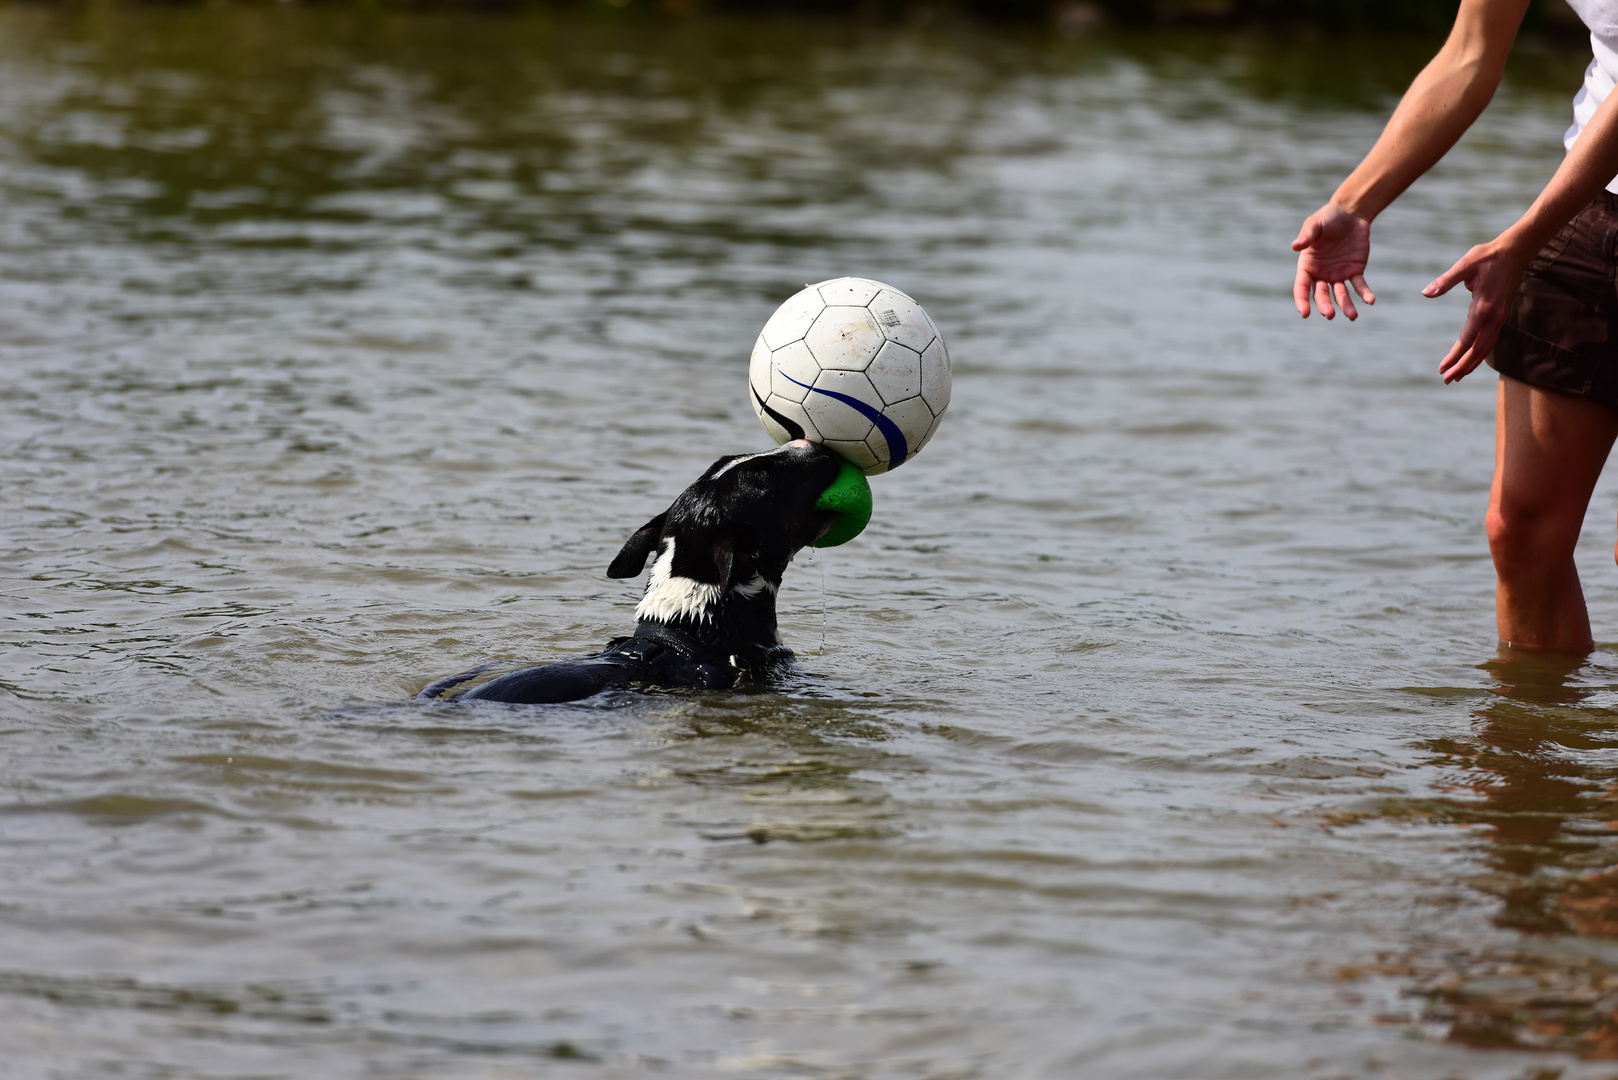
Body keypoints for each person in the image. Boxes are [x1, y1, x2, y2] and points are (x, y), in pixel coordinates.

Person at [1294, 0, 1618, 654]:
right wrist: (1355, 204)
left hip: (1562, 209)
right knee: (1519, 531)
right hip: (1597, 209)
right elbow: (1469, 53)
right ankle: (1530, 750)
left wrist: (1523, 240)